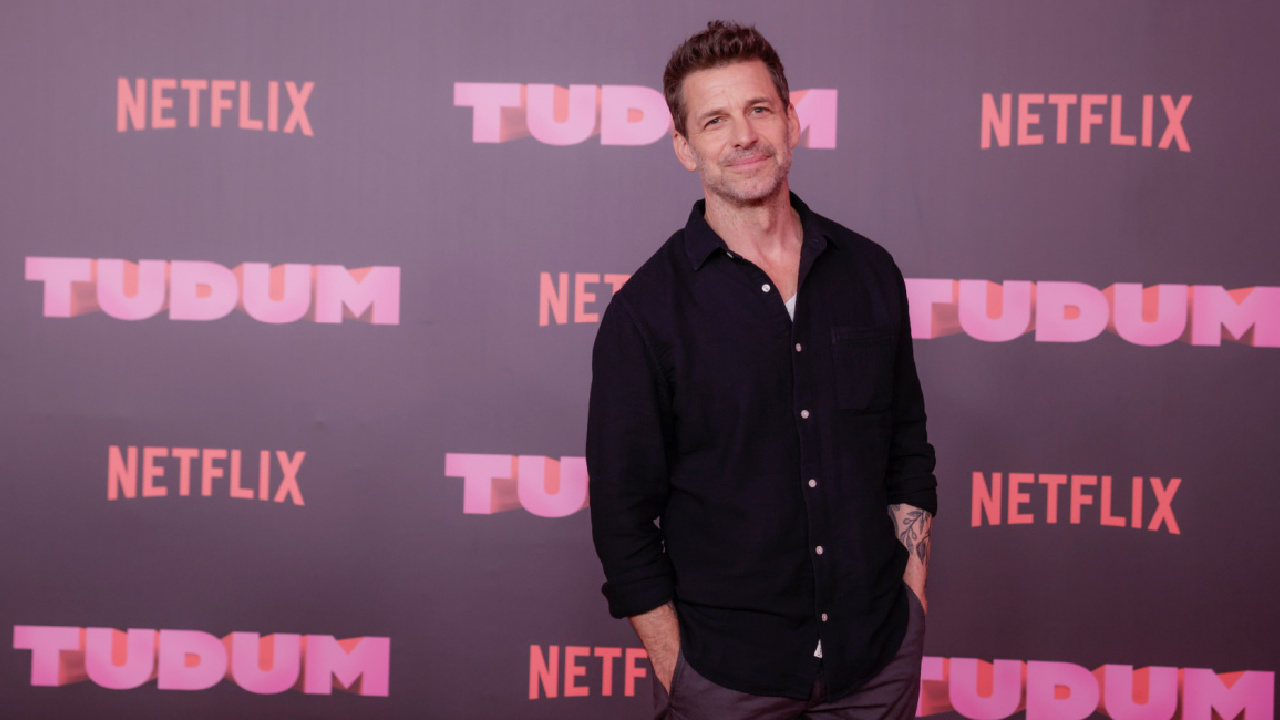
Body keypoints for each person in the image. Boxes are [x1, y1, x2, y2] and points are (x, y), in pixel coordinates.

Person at [587, 20, 937, 720]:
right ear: (685, 147)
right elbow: (623, 518)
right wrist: (679, 672)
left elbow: (906, 449)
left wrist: (913, 605)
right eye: (714, 120)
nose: (743, 135)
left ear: (791, 121)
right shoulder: (645, 314)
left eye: (758, 109)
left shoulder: (869, 273)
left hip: (876, 666)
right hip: (724, 683)